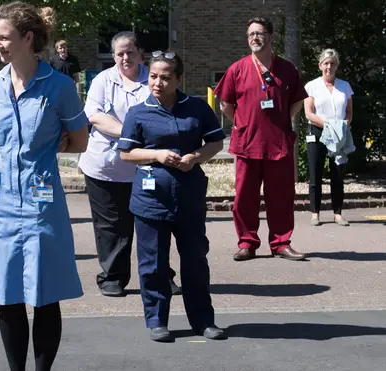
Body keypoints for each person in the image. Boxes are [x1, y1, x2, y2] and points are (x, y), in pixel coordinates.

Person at [0, 2, 89, 370]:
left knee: (44, 291)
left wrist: (49, 148)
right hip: (0, 197)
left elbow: (80, 140)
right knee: (7, 293)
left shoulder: (59, 86)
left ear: (27, 39)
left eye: (4, 37)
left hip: (42, 197)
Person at [119, 51, 226, 342]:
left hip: (189, 196)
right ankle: (156, 320)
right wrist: (156, 154)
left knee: (195, 261)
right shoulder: (137, 112)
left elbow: (216, 141)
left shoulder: (198, 108)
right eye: (153, 76)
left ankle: (203, 321)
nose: (157, 82)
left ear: (179, 79)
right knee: (152, 263)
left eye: (165, 77)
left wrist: (195, 157)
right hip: (151, 200)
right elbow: (126, 152)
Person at [79, 31, 181, 297]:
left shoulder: (155, 78)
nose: (125, 57)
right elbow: (95, 115)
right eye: (119, 53)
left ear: (140, 54)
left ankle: (161, 276)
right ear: (113, 56)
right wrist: (131, 132)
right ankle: (113, 277)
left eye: (130, 52)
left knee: (155, 224)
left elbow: (168, 109)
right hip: (106, 168)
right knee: (111, 227)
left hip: (149, 166)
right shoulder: (103, 80)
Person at [214, 17, 308, 262]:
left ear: (271, 36)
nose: (254, 38)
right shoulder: (237, 68)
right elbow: (225, 103)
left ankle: (281, 243)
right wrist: (243, 122)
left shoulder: (286, 69)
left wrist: (282, 119)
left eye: (259, 33)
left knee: (281, 197)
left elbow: (298, 100)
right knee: (244, 197)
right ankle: (247, 242)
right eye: (251, 34)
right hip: (247, 143)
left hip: (278, 143)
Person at [304, 49, 354, 227]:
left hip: (339, 134)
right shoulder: (312, 86)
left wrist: (342, 126)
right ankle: (315, 213)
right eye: (326, 63)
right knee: (315, 174)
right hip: (318, 133)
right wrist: (327, 125)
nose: (329, 67)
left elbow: (349, 113)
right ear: (320, 65)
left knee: (338, 175)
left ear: (336, 66)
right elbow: (309, 113)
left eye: (332, 63)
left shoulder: (345, 86)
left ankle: (338, 213)